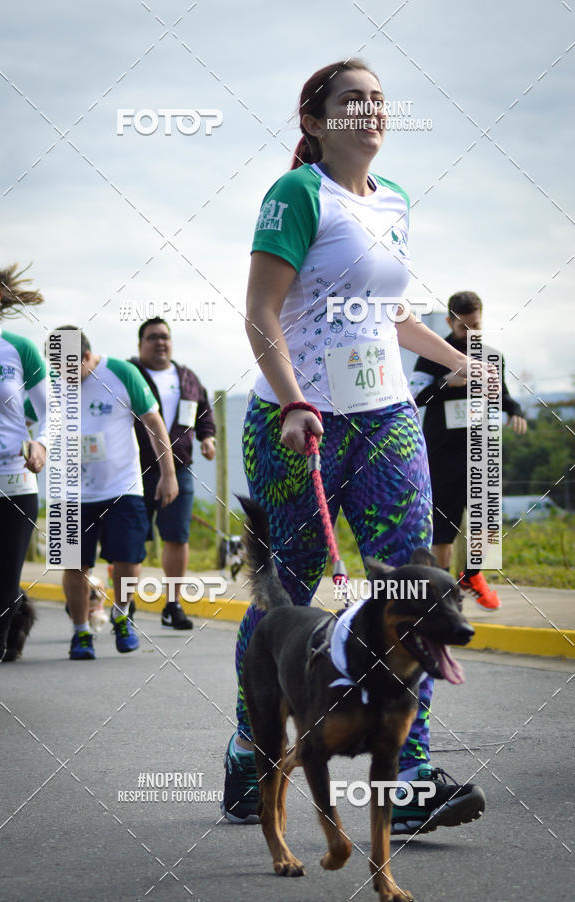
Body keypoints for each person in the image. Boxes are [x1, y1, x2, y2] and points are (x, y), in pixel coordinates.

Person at [221, 59, 487, 836]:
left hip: (386, 417)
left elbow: (391, 312)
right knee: (286, 597)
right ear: (315, 121)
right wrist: (295, 399)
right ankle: (251, 750)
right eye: (352, 100)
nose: (371, 110)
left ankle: (405, 778)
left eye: (377, 99)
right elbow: (260, 312)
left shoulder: (396, 202)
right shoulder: (296, 195)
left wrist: (458, 362)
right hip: (298, 421)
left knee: (414, 585)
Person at [56, 327, 178, 660]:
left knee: (128, 559)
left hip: (123, 487)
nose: (64, 379)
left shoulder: (121, 373)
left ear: (86, 357)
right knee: (74, 565)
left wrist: (168, 474)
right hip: (70, 490)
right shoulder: (51, 380)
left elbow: (154, 422)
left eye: (70, 371)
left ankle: (121, 615)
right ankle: (81, 633)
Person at [409, 291, 527, 608]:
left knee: (484, 520)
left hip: (481, 448)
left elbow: (501, 394)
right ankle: (443, 587)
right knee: (444, 525)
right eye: (464, 328)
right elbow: (414, 396)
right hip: (443, 451)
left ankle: (473, 575)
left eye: (476, 326)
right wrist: (448, 381)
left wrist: (515, 410)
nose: (471, 333)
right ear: (449, 322)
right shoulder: (432, 354)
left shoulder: (492, 356)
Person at [0, 258, 46, 709]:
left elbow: (50, 409)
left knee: (4, 587)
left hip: (16, 478)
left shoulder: (19, 349)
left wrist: (39, 443)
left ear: (0, 295)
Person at [129, 317, 216, 631]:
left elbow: (204, 411)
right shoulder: (128, 374)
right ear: (140, 344)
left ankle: (172, 605)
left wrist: (208, 437)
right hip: (133, 468)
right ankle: (124, 602)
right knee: (131, 537)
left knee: (177, 536)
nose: (160, 342)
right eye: (152, 337)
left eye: (164, 336)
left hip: (179, 467)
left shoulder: (187, 377)